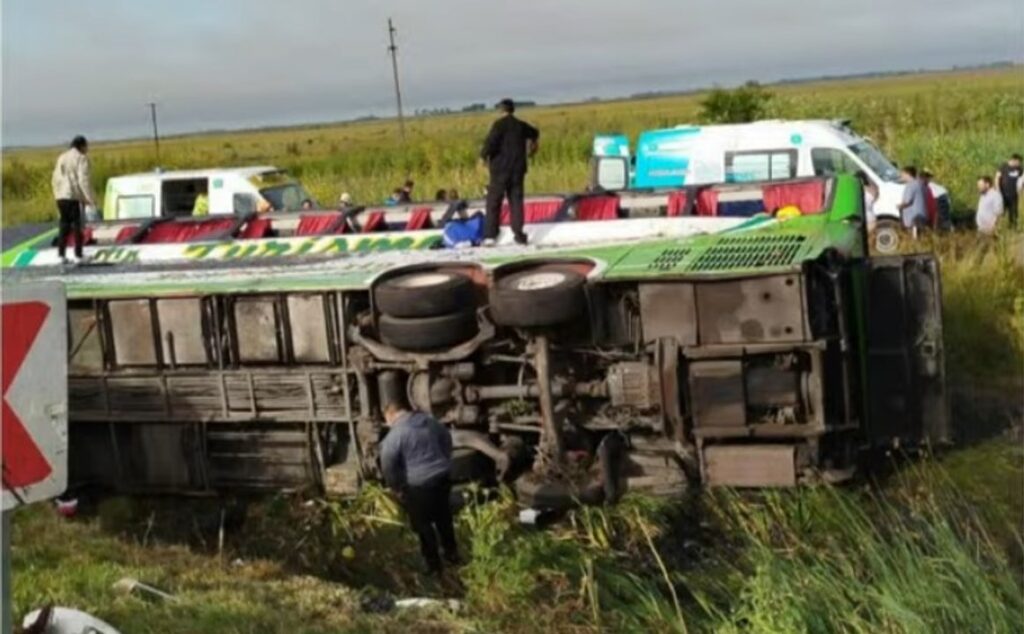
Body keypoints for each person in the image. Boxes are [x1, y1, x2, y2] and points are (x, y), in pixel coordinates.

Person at [379, 397, 458, 575]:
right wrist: (443, 460)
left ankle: (434, 565)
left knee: (423, 525)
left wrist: (396, 487)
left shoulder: (395, 435)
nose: (387, 423)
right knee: (444, 518)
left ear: (391, 414)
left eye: (386, 419)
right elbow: (447, 438)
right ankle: (452, 555)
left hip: (418, 485)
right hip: (442, 477)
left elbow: (388, 465)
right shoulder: (430, 421)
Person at [480, 98, 539, 246]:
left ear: (501, 110)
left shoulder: (499, 125)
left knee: (494, 201)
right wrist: (533, 144)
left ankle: (490, 235)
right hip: (518, 170)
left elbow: (490, 143)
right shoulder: (520, 125)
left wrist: (483, 156)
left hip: (500, 170)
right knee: (516, 202)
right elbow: (535, 132)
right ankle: (519, 234)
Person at [51, 135, 97, 264]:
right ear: (81, 146)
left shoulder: (62, 157)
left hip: (60, 196)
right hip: (72, 196)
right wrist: (89, 198)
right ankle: (78, 255)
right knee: (78, 225)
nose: (87, 149)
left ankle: (61, 255)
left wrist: (57, 196)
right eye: (86, 146)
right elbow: (83, 180)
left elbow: (54, 179)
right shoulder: (81, 158)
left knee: (63, 226)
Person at [896, 166, 927, 233]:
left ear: (908, 174)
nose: (901, 175)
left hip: (913, 218)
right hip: (921, 216)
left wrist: (899, 206)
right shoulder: (920, 184)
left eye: (902, 174)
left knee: (915, 239)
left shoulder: (910, 185)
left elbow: (908, 201)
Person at [996, 153, 1022, 229]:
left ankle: (1013, 228)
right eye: (1018, 162)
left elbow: (1022, 180)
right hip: (1003, 194)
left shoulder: (1019, 169)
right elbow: (997, 178)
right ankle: (997, 229)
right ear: (1014, 160)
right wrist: (998, 190)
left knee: (1013, 213)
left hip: (1014, 195)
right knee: (1001, 212)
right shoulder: (1004, 166)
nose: (1019, 164)